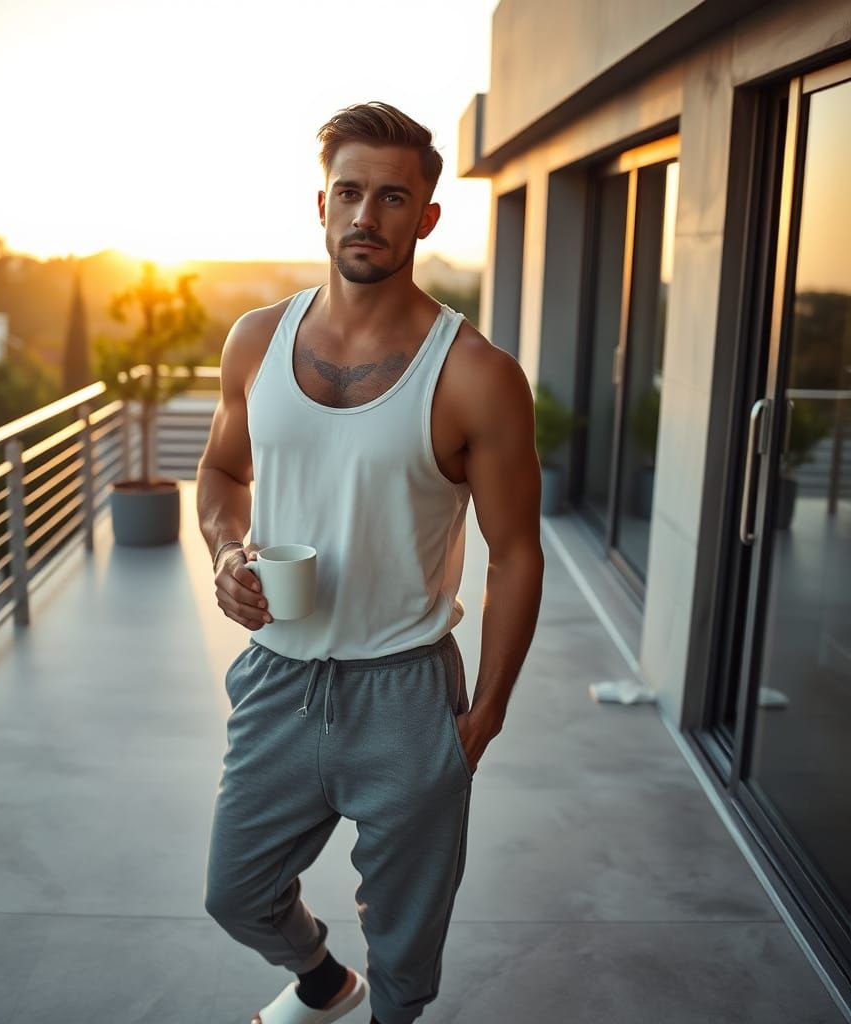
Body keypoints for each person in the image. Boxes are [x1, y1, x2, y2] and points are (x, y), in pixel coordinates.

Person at [196, 100, 544, 1024]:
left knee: (405, 938)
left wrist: (485, 717)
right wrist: (228, 551)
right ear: (322, 204)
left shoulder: (477, 374)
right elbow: (223, 472)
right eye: (348, 192)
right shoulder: (256, 341)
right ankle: (321, 981)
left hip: (406, 692)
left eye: (392, 198)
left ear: (426, 216)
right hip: (278, 678)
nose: (366, 215)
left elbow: (516, 555)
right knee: (235, 892)